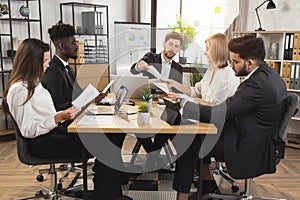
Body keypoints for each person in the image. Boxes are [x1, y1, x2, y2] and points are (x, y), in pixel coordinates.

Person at [173, 34, 288, 200]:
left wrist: (184, 105)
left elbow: (220, 113)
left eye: (235, 62)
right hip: (255, 134)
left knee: (188, 143)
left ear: (249, 63)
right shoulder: (267, 74)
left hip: (250, 145)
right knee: (199, 135)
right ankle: (207, 184)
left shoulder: (256, 85)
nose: (231, 65)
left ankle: (182, 198)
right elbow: (231, 107)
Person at [42, 22, 131, 200]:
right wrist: (87, 100)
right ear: (61, 45)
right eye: (73, 42)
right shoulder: (53, 72)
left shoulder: (67, 69)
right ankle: (108, 194)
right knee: (109, 139)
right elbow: (58, 108)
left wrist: (96, 97)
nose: (77, 46)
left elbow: (79, 95)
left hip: (77, 120)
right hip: (64, 129)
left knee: (117, 133)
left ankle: (114, 184)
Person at [166, 33, 240, 194]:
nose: (205, 52)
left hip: (220, 129)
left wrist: (187, 101)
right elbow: (195, 91)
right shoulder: (212, 70)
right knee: (177, 125)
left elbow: (216, 106)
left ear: (217, 50)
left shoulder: (228, 76)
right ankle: (205, 179)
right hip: (207, 122)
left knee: (186, 143)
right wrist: (176, 86)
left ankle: (184, 191)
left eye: (208, 49)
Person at [2, 38, 87, 171]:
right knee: (96, 142)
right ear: (30, 63)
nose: (47, 65)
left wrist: (64, 114)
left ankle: (110, 183)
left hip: (50, 134)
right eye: (44, 61)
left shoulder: (35, 84)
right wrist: (58, 118)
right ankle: (106, 188)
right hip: (40, 143)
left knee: (99, 135)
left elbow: (45, 116)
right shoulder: (19, 90)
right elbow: (28, 130)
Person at [130, 31, 184, 167]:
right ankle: (154, 155)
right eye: (170, 44)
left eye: (176, 46)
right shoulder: (150, 57)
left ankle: (152, 155)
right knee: (138, 123)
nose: (172, 48)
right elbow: (133, 70)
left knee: (170, 120)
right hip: (147, 99)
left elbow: (177, 91)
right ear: (164, 44)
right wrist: (138, 66)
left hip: (165, 101)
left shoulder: (178, 68)